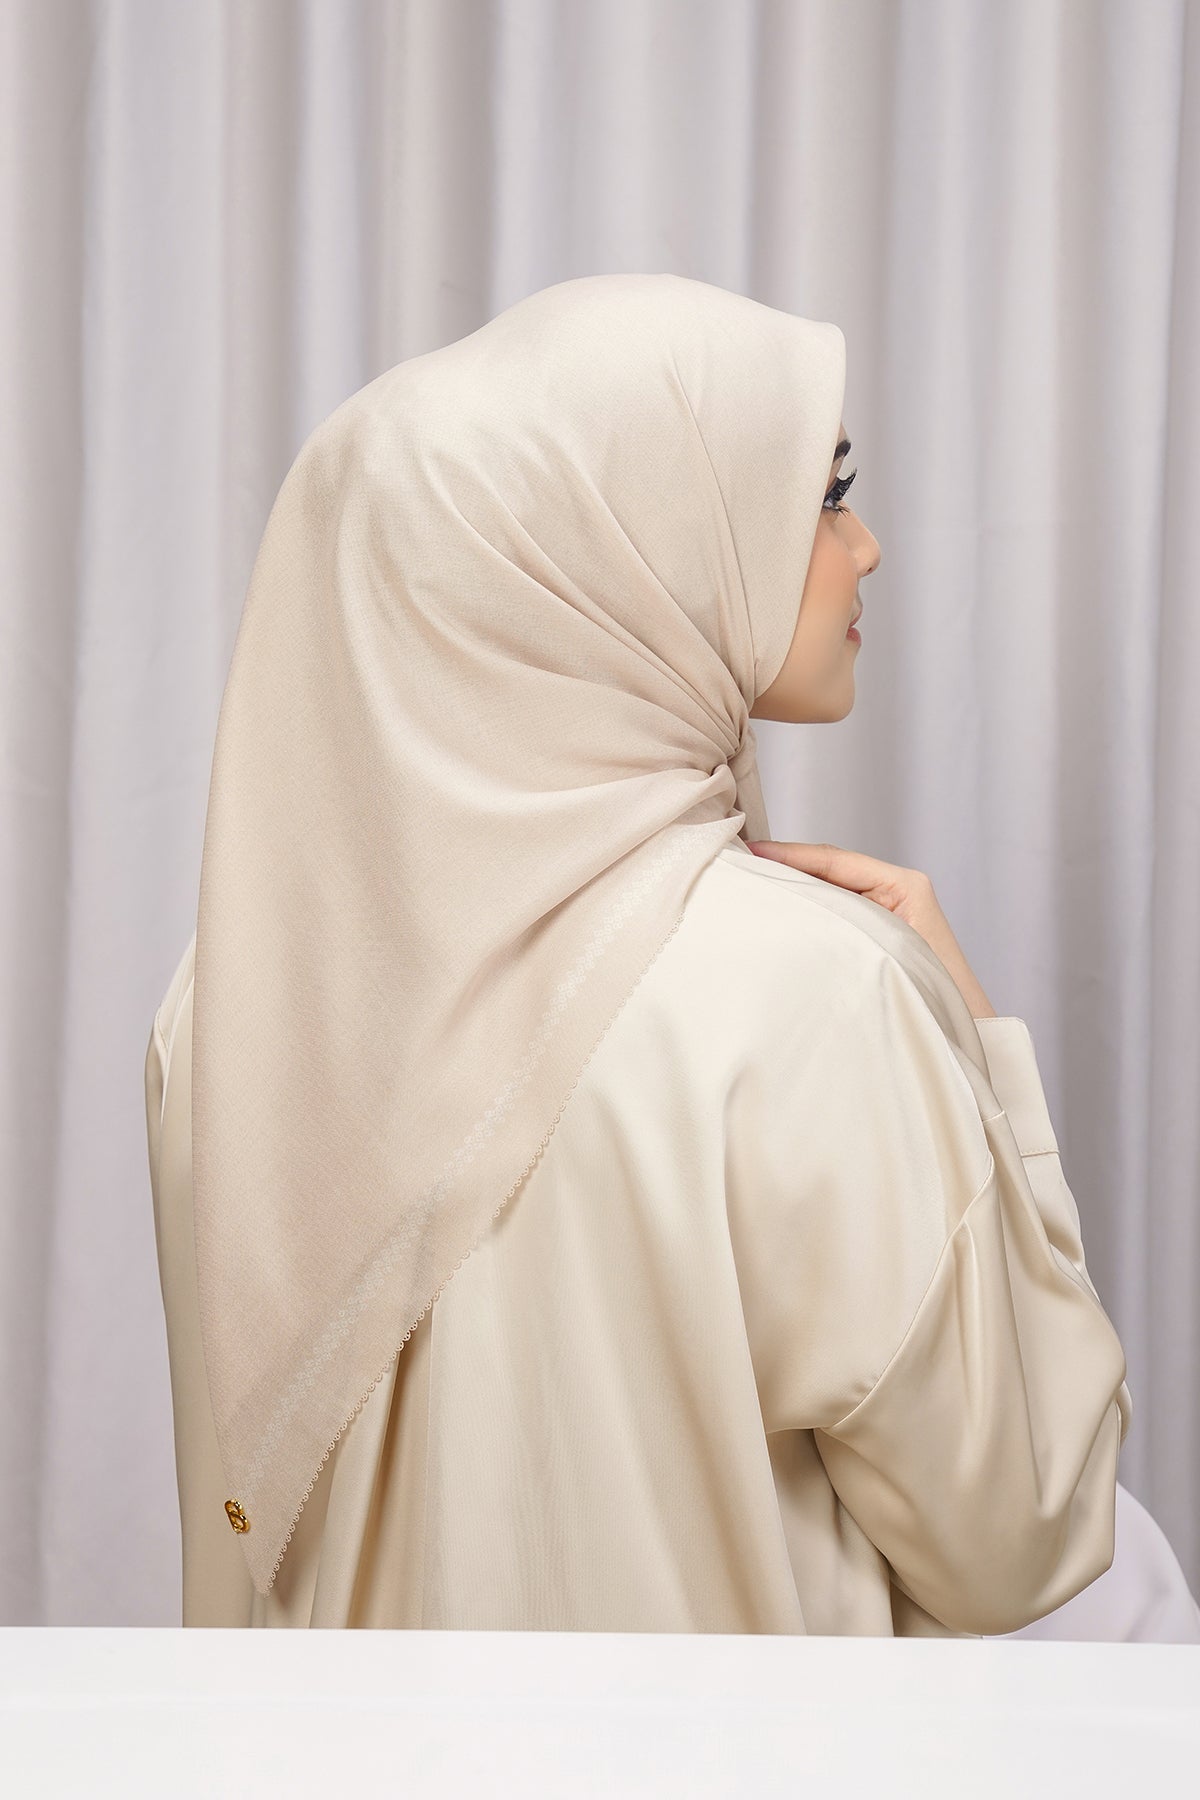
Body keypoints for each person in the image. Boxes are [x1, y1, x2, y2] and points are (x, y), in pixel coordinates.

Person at [146, 271, 1171, 1635]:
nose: (866, 548)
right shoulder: (816, 997)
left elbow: (245, 1533)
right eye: (823, 495)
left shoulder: (220, 1009)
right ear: (626, 550)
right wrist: (977, 1051)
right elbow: (1024, 1535)